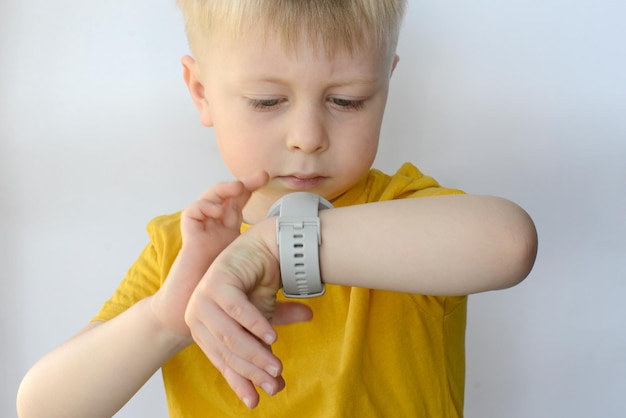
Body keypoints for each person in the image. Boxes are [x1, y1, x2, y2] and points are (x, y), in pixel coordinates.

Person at [16, 0, 538, 417]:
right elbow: (41, 407)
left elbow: (508, 243)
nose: (308, 138)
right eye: (267, 101)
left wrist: (272, 246)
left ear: (386, 86)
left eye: (348, 100)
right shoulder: (180, 251)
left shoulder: (401, 209)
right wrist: (165, 321)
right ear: (201, 92)